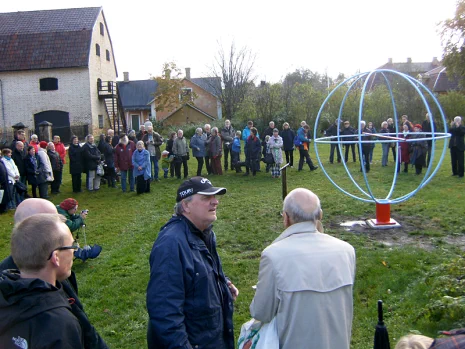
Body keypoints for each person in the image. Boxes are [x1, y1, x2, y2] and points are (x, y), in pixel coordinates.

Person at [250, 188, 356, 349]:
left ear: (286, 218)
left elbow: (261, 312)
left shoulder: (274, 256)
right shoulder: (346, 251)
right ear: (320, 215)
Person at [0, 198, 108, 348]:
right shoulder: (57, 323)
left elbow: (82, 322)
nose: (60, 224)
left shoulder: (14, 279)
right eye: (49, 221)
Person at [146, 177, 238, 349]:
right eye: (206, 198)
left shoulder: (204, 233)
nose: (215, 202)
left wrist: (222, 283)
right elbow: (165, 312)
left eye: (215, 197)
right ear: (186, 205)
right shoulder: (171, 245)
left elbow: (198, 271)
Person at [0, 213, 84, 348]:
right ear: (55, 257)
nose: (74, 251)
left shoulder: (5, 295)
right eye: (72, 246)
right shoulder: (58, 323)